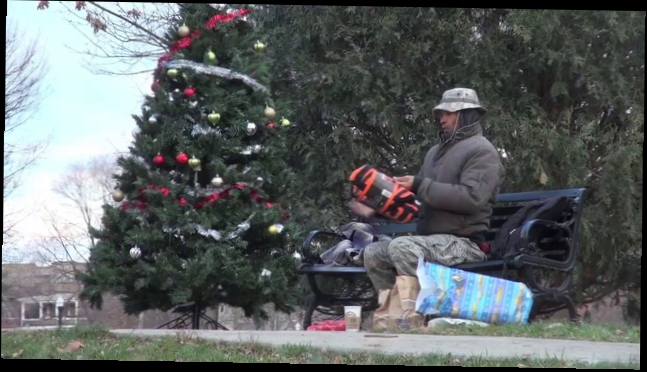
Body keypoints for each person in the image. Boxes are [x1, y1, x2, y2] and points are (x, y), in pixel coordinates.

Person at [354, 87, 505, 293]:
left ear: (467, 115)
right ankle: (398, 312)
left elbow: (472, 198)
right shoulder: (434, 153)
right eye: (441, 114)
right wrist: (379, 204)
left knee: (403, 248)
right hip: (429, 241)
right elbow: (416, 203)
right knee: (373, 253)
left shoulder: (482, 151)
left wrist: (418, 185)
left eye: (449, 113)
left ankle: (428, 311)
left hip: (464, 243)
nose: (442, 119)